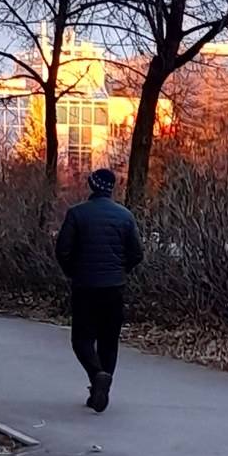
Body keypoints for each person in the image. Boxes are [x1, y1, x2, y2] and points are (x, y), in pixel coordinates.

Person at [54, 168, 143, 412]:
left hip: (85, 287)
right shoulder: (125, 216)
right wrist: (120, 270)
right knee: (108, 341)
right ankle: (100, 390)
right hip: (114, 288)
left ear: (92, 186)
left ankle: (96, 376)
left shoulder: (77, 214)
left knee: (81, 340)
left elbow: (62, 250)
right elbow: (137, 253)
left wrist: (73, 272)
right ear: (112, 189)